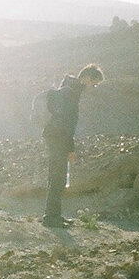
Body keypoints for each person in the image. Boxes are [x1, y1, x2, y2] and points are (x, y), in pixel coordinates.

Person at [41, 63, 104, 227]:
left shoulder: (68, 89)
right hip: (58, 138)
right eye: (94, 83)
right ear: (87, 78)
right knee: (58, 178)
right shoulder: (71, 93)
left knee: (56, 177)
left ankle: (53, 215)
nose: (93, 87)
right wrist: (70, 149)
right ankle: (51, 218)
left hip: (54, 136)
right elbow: (66, 125)